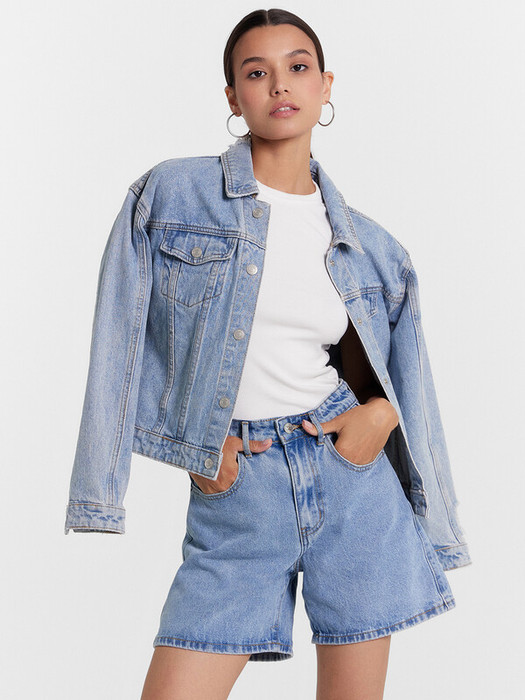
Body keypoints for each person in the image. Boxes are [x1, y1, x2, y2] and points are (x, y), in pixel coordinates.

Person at [64, 8, 471, 700]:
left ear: (324, 86)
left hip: (352, 486)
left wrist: (379, 415)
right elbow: (117, 337)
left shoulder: (372, 247)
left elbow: (406, 381)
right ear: (233, 97)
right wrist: (147, 470)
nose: (279, 84)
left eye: (297, 67)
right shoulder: (171, 196)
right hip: (238, 491)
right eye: (256, 72)